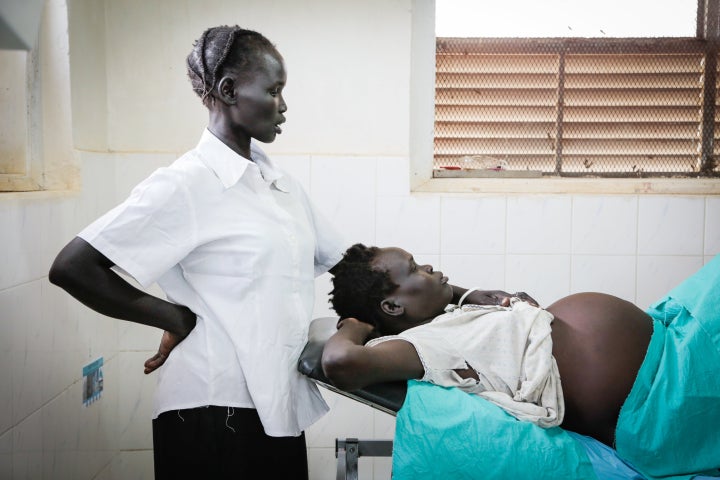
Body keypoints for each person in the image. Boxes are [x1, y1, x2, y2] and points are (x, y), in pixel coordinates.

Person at [49, 25, 349, 479]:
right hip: (213, 410)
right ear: (229, 91)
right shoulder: (187, 184)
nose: (283, 106)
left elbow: (346, 264)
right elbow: (73, 267)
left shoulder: (277, 184)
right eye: (273, 90)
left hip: (274, 400)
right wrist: (176, 318)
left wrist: (454, 297)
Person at [323, 244, 720, 478]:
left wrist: (465, 292)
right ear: (391, 305)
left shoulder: (446, 318)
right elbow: (342, 362)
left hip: (672, 345)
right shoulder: (417, 345)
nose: (427, 267)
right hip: (662, 396)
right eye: (413, 269)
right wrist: (354, 324)